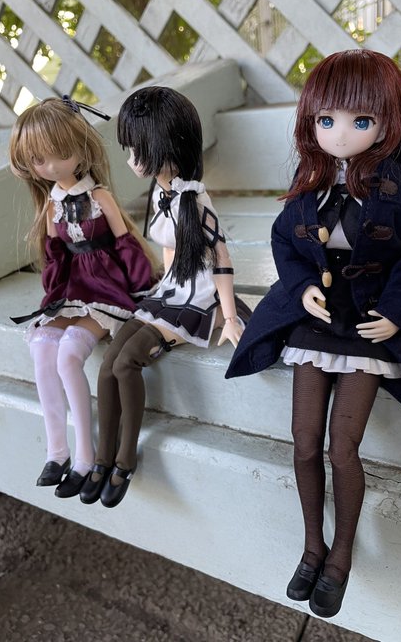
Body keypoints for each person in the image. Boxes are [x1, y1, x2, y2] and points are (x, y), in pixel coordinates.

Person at [225, 49, 401, 618]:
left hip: (366, 322)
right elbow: (284, 243)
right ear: (311, 122)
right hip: (318, 320)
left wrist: (396, 312)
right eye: (327, 119)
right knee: (303, 442)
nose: (340, 133)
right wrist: (300, 289)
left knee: (343, 448)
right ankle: (311, 546)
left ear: (386, 124)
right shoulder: (311, 184)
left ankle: (340, 555)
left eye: (359, 121)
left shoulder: (396, 189)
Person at [79, 86, 250, 509]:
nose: (131, 159)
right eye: (130, 149)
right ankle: (101, 457)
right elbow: (171, 248)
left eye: (139, 150)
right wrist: (161, 284)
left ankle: (124, 460)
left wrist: (230, 317)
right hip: (170, 289)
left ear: (171, 146)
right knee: (107, 364)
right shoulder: (160, 192)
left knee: (126, 362)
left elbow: (222, 260)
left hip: (198, 298)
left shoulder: (196, 200)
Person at [10, 96, 159, 499]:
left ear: (81, 150)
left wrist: (141, 286)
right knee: (42, 346)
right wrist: (54, 294)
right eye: (38, 160)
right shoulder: (52, 205)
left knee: (69, 354)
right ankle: (56, 451)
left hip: (107, 284)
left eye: (61, 155)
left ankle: (85, 456)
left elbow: (126, 242)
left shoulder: (99, 197)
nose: (51, 167)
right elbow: (56, 254)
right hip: (72, 287)